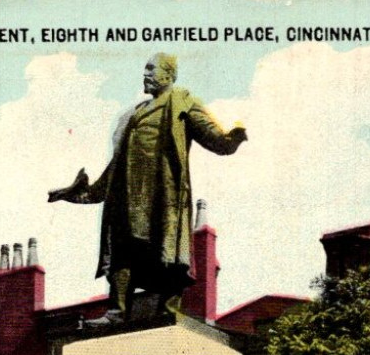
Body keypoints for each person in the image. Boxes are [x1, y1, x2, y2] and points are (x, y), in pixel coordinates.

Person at [48, 53, 247, 326]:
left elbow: (212, 136)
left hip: (161, 193)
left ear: (169, 75)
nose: (146, 74)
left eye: (152, 69)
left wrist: (231, 139)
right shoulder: (134, 114)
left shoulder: (182, 102)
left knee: (166, 251)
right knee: (121, 251)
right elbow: (114, 169)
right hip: (127, 196)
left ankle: (168, 310)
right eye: (145, 69)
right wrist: (77, 194)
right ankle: (116, 312)